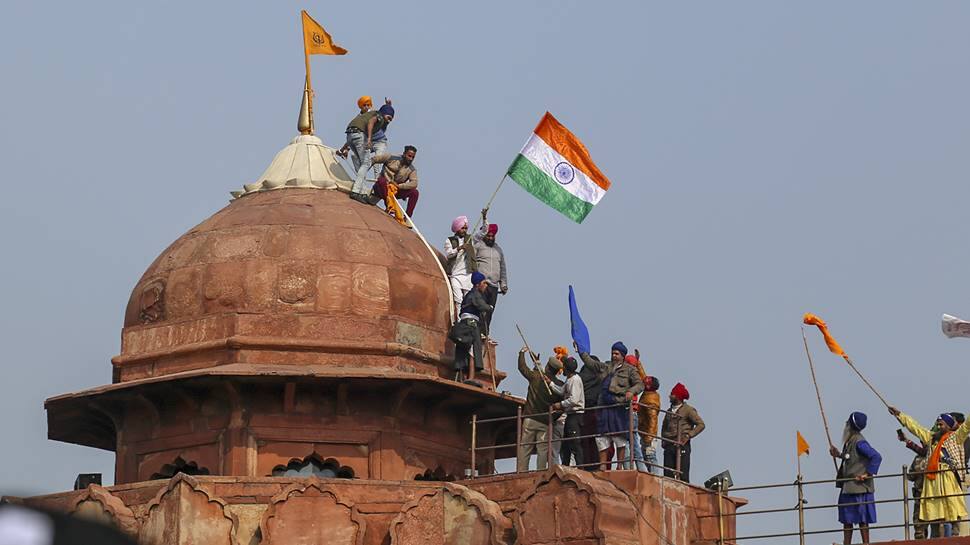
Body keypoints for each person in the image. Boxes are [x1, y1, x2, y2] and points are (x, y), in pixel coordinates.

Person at [891, 406, 970, 538]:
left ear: (949, 425)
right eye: (937, 424)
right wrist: (899, 415)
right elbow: (915, 427)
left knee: (953, 508)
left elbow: (967, 425)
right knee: (934, 510)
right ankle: (935, 538)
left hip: (949, 478)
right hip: (932, 480)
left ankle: (955, 537)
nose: (939, 427)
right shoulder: (931, 438)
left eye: (941, 424)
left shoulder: (956, 437)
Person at [578, 342, 644, 471]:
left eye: (617, 354)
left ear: (622, 355)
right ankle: (602, 465)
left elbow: (640, 384)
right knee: (601, 437)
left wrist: (631, 391)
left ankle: (619, 465)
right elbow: (591, 363)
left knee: (619, 438)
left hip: (618, 406)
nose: (614, 356)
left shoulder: (629, 370)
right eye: (613, 353)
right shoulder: (606, 367)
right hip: (604, 406)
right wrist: (581, 351)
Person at [829, 412, 882, 545]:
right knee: (847, 519)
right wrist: (838, 455)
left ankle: (866, 543)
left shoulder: (859, 442)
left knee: (862, 519)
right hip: (848, 487)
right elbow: (851, 458)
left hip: (859, 487)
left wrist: (867, 474)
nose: (845, 426)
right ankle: (847, 543)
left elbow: (876, 457)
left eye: (847, 423)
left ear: (851, 426)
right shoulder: (850, 442)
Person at [516, 348, 563, 472]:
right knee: (543, 450)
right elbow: (563, 406)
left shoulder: (535, 377)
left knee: (525, 448)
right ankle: (541, 473)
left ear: (547, 366)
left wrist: (521, 353)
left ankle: (522, 471)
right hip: (545, 421)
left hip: (530, 418)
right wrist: (553, 418)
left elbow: (522, 368)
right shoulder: (559, 385)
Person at [338, 103, 394, 202]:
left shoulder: (371, 116)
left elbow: (354, 135)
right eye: (389, 117)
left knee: (362, 163)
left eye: (390, 119)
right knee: (366, 163)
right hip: (360, 134)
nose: (389, 121)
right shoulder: (379, 116)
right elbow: (371, 122)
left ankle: (362, 192)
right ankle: (356, 191)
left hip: (350, 134)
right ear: (384, 113)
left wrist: (343, 149)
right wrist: (368, 139)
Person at [449, 272, 491, 379]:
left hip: (464, 325)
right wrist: (489, 307)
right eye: (484, 283)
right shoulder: (475, 295)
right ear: (478, 284)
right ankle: (470, 378)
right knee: (473, 351)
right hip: (471, 325)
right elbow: (483, 306)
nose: (486, 286)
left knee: (463, 349)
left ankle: (462, 377)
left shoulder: (469, 295)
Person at [661, 382, 705, 482]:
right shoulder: (669, 411)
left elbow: (701, 424)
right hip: (669, 444)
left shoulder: (688, 410)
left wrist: (688, 435)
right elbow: (664, 426)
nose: (670, 396)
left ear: (678, 396)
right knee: (668, 474)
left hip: (682, 444)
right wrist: (663, 439)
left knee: (683, 474)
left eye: (672, 394)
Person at [473, 210, 508, 330]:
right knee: (481, 309)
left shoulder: (499, 250)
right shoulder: (478, 246)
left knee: (490, 311)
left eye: (492, 236)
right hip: (482, 284)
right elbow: (471, 261)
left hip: (494, 285)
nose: (490, 237)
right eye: (488, 235)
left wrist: (503, 284)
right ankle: (478, 332)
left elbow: (502, 268)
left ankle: (485, 334)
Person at [552, 355, 585, 466]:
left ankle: (580, 467)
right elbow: (562, 391)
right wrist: (550, 384)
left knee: (575, 444)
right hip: (570, 415)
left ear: (566, 368)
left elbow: (574, 400)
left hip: (576, 415)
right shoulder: (569, 379)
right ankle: (565, 466)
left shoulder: (575, 380)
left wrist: (560, 404)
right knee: (566, 444)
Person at [368, 146, 420, 216]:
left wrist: (399, 186)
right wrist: (363, 172)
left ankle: (407, 217)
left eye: (413, 157)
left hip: (394, 191)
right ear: (404, 154)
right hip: (381, 188)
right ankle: (389, 206)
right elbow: (374, 159)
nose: (411, 159)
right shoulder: (392, 157)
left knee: (415, 193)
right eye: (409, 156)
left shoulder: (411, 169)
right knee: (382, 180)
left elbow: (414, 183)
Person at [899, 428, 929, 539]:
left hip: (920, 495)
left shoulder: (918, 459)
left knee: (919, 527)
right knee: (937, 527)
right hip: (933, 497)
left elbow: (911, 476)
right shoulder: (938, 457)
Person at [952, 412, 970, 537]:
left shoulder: (962, 439)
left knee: (960, 507)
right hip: (952, 476)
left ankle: (963, 534)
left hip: (961, 476)